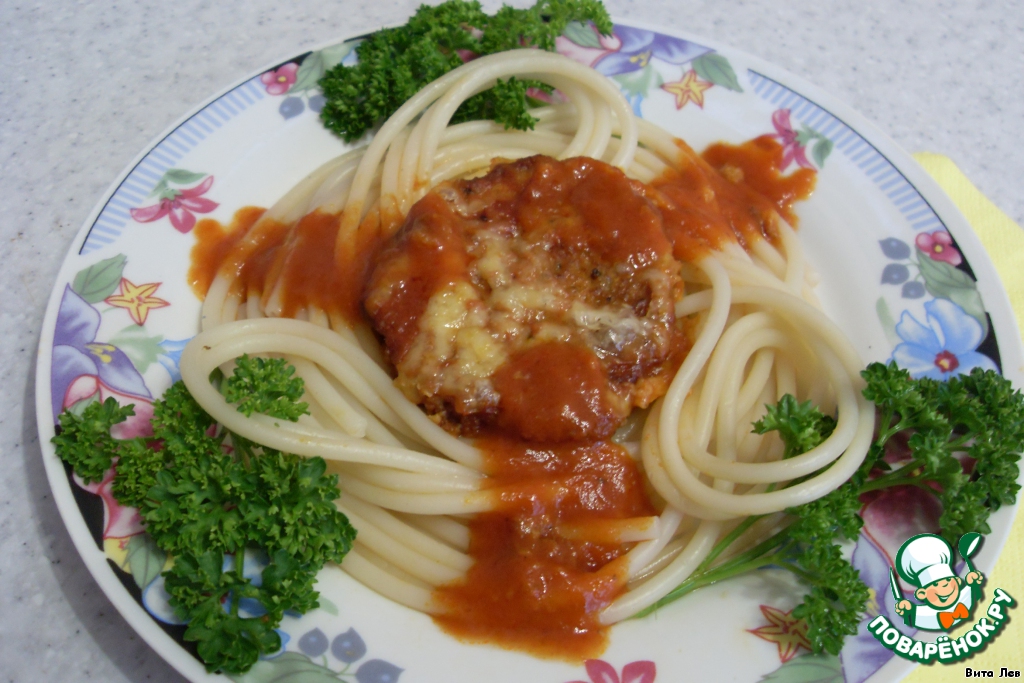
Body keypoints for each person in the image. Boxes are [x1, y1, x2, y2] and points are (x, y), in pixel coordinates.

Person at [893, 533, 984, 631]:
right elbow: (911, 615)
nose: (944, 587)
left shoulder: (964, 598)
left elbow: (974, 591)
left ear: (957, 581)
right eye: (936, 584)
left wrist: (973, 582)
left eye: (948, 581)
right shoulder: (928, 616)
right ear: (921, 594)